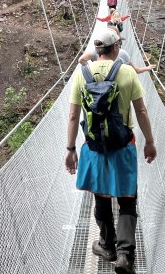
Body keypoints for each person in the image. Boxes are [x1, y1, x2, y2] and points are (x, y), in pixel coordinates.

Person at [65, 28, 157, 274]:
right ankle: (125, 255)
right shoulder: (126, 72)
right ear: (116, 48)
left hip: (95, 148)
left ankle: (107, 246)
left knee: (101, 196)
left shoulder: (81, 74)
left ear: (97, 50)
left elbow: (74, 115)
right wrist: (150, 142)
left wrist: (70, 149)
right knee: (127, 199)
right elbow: (142, 111)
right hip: (123, 144)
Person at [79, 26, 156, 74]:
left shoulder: (94, 51)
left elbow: (81, 60)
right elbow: (135, 70)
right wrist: (147, 68)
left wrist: (90, 70)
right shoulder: (122, 54)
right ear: (115, 46)